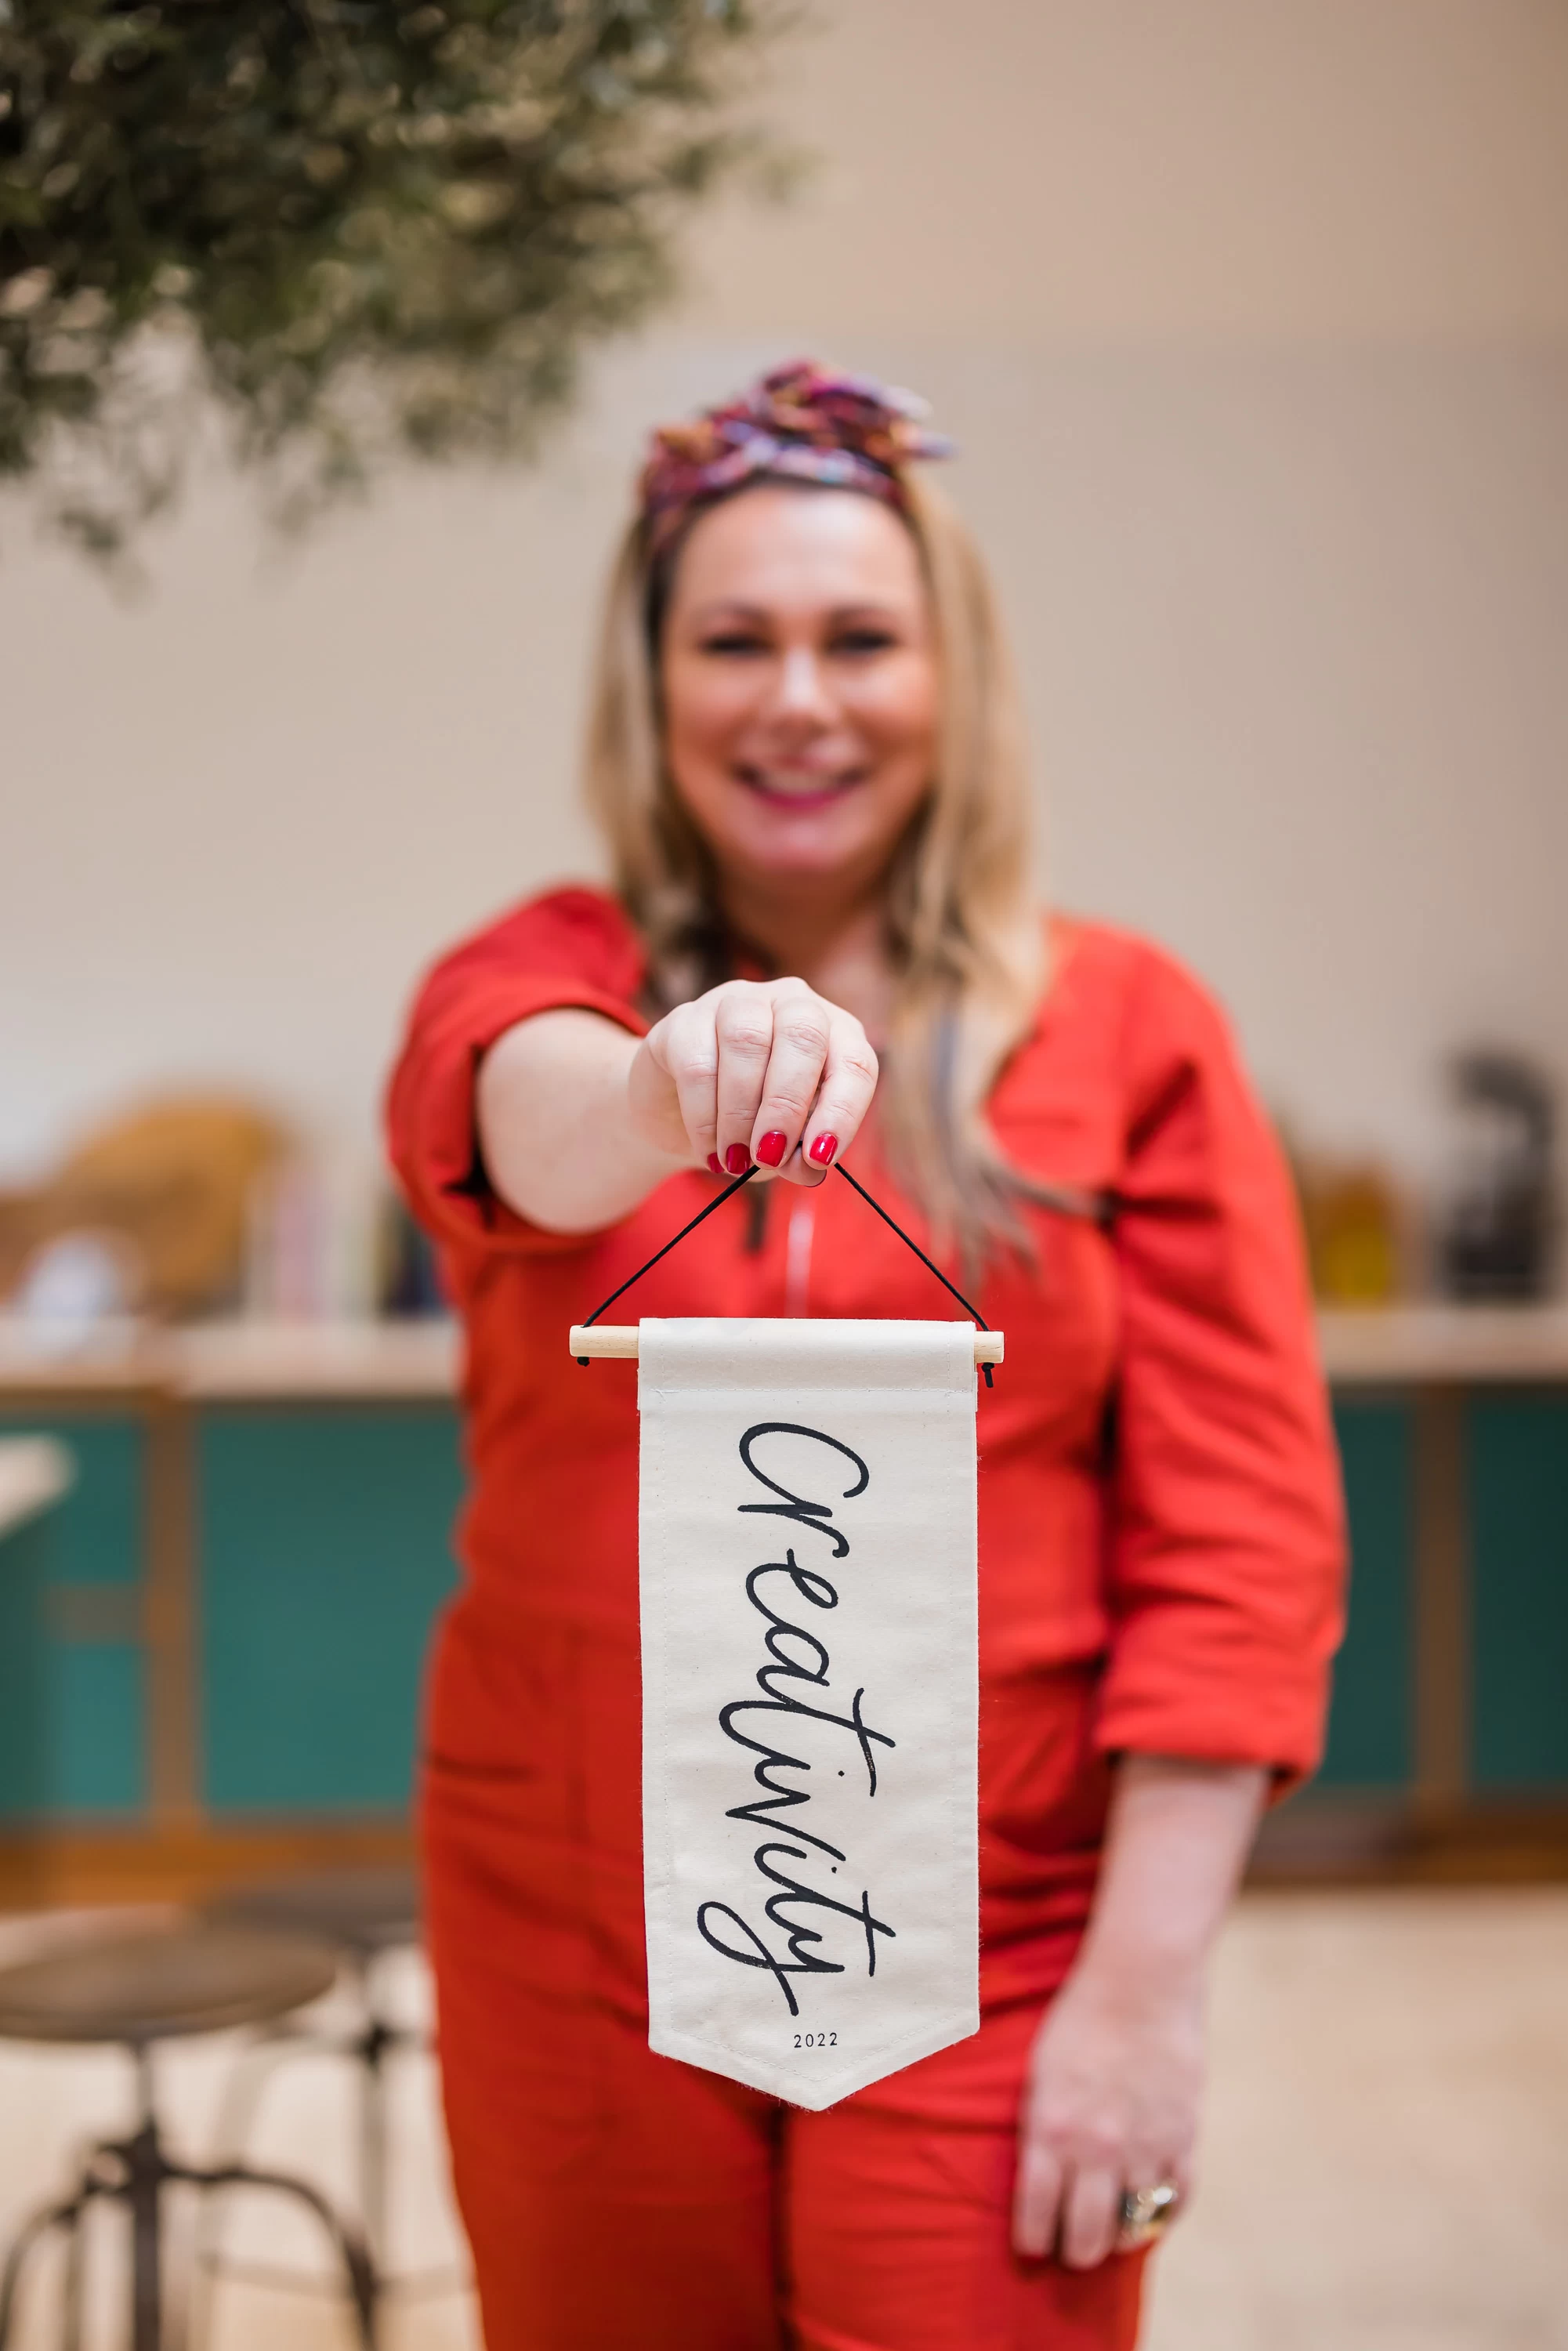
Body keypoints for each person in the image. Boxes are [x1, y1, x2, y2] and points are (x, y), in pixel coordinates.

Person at [387, 360, 1345, 2351]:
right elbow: (510, 1115)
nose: (798, 696)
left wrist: (1144, 2002)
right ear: (653, 687)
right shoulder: (537, 980)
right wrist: (666, 1085)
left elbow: (1241, 1550)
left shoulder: (1131, 1028)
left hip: (996, 1923)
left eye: (860, 639)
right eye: (734, 638)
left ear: (951, 677)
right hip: (576, 1923)